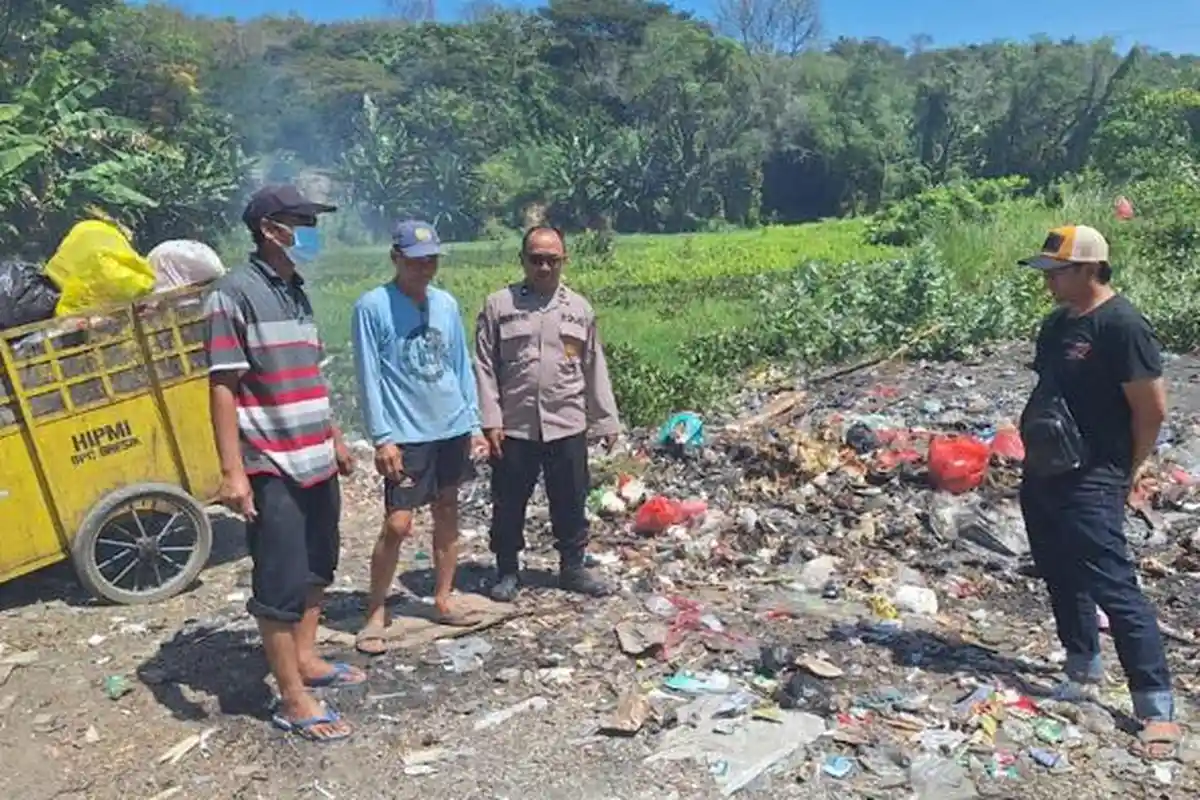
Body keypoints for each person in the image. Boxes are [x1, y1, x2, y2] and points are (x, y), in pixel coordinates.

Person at [203, 184, 361, 743]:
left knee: (319, 563)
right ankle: (292, 696)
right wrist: (232, 471)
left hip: (315, 452)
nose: (311, 232)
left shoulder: (296, 290)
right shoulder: (232, 295)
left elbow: (310, 376)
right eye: (302, 221)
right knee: (279, 578)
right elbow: (223, 386)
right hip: (271, 459)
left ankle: (309, 657)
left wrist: (336, 436)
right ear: (271, 228)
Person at [1017, 225, 1180, 759]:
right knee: (1060, 570)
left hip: (1096, 472)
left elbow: (1151, 410)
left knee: (1114, 583)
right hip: (1046, 468)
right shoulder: (1057, 325)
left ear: (1089, 269)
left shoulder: (1121, 325)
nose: (1049, 282)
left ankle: (1154, 705)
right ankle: (1081, 663)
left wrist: (1126, 468)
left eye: (1057, 272)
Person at [352, 220, 488, 656]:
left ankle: (443, 598)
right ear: (396, 258)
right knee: (398, 523)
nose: (424, 268)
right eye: (415, 260)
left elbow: (460, 365)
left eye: (430, 260)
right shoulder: (372, 307)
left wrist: (474, 422)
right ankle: (376, 610)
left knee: (448, 511)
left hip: (449, 425)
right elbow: (368, 376)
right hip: (406, 434)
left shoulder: (445, 304)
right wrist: (382, 437)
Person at [474, 225, 622, 602]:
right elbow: (484, 367)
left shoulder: (579, 309)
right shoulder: (499, 306)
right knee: (508, 501)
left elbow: (593, 365)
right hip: (516, 425)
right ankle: (507, 569)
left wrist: (605, 420)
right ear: (522, 260)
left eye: (551, 260)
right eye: (536, 259)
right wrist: (489, 421)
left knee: (571, 498)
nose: (543, 267)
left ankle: (572, 568)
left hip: (566, 421)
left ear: (563, 261)